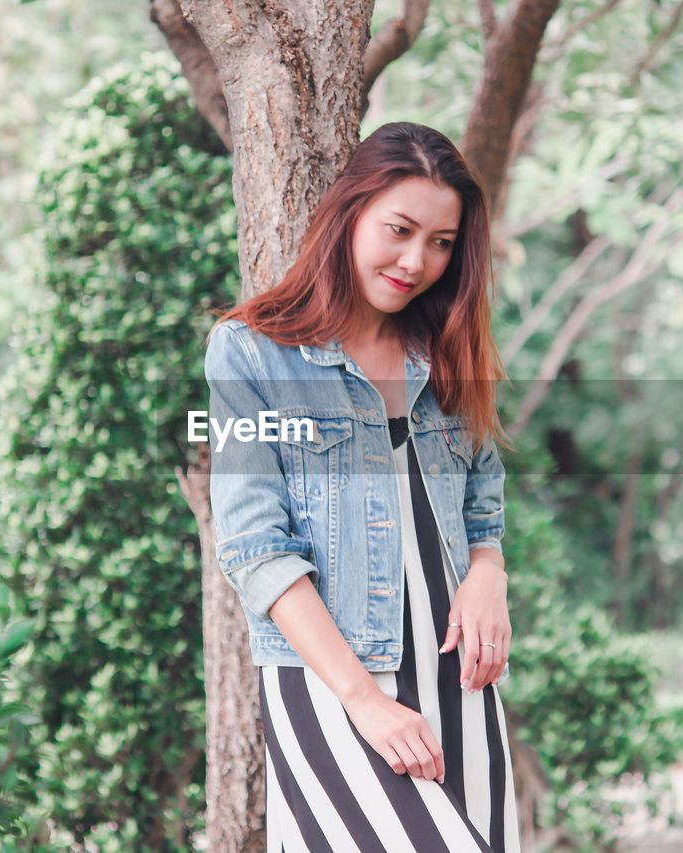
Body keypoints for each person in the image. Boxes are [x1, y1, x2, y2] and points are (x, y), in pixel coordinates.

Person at [204, 121, 520, 852]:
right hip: (335, 682)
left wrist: (489, 568)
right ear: (350, 211)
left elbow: (481, 489)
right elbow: (254, 547)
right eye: (400, 229)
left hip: (458, 677)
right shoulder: (252, 353)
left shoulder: (445, 350)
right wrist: (366, 701)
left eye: (441, 242)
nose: (417, 260)